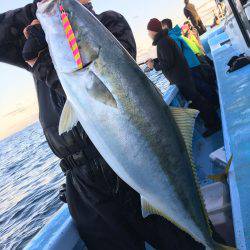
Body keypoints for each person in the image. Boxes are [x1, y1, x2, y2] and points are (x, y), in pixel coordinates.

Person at [0, 1, 207, 250]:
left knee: (183, 244)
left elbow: (111, 100)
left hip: (133, 162)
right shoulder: (41, 30)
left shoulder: (108, 24)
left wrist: (43, 63)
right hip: (84, 186)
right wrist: (37, 11)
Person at [147, 18, 221, 137]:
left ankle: (214, 124)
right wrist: (156, 61)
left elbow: (168, 62)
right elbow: (169, 57)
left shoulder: (162, 42)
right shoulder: (166, 40)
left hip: (182, 78)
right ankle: (212, 122)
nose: (148, 34)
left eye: (149, 31)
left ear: (153, 31)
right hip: (184, 76)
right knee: (198, 99)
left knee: (198, 100)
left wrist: (154, 65)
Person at [150, 18, 219, 107]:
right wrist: (157, 60)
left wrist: (155, 65)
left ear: (165, 26)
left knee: (203, 88)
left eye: (161, 26)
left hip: (191, 65)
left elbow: (172, 57)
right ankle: (215, 104)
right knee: (203, 87)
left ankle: (216, 105)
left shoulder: (171, 38)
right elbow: (171, 54)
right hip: (193, 63)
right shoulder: (173, 36)